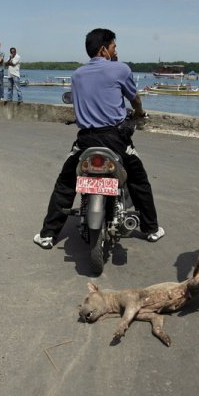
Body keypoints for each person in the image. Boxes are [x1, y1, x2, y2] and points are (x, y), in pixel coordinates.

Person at [33, 28, 165, 249]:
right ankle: (151, 229)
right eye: (114, 46)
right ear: (104, 49)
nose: (116, 50)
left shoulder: (76, 75)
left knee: (65, 183)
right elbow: (135, 99)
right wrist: (139, 112)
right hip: (116, 139)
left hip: (85, 140)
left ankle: (47, 234)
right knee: (138, 180)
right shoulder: (120, 69)